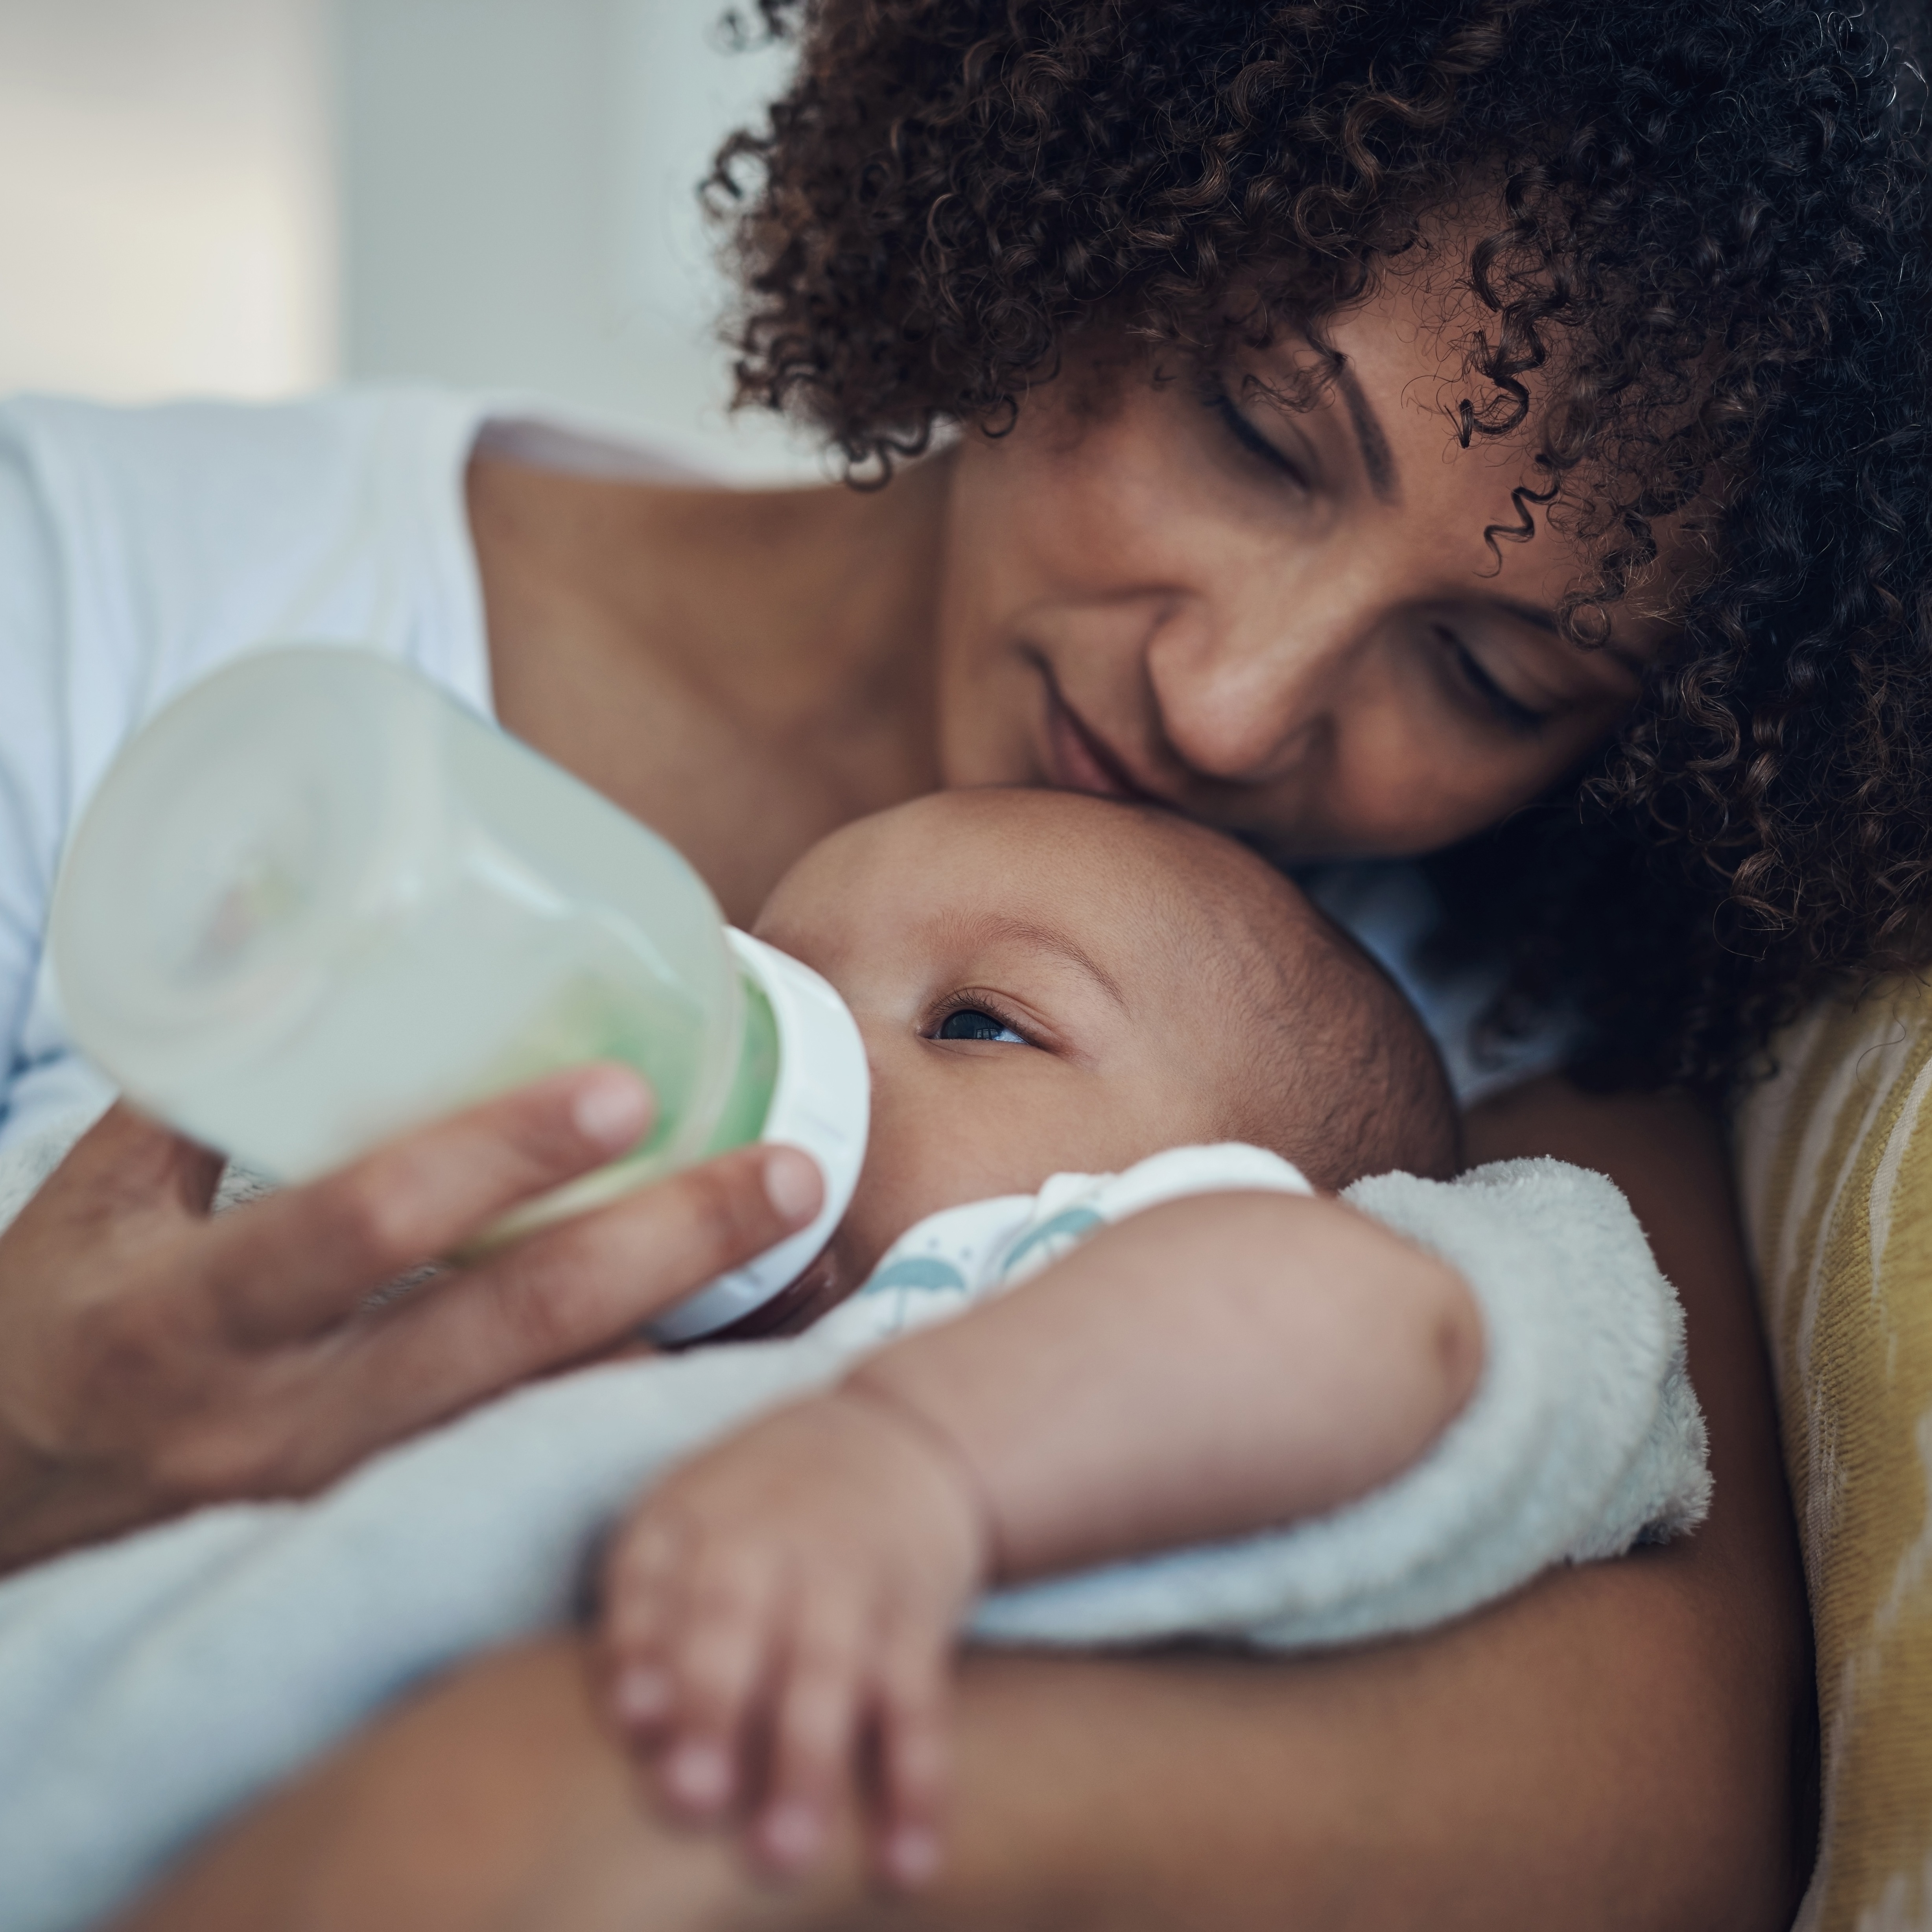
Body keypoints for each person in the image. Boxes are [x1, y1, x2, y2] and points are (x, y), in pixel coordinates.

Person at [9, 0, 1926, 1919]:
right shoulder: (87, 596)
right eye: (1257, 430)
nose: (1232, 702)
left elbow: (1660, 1799)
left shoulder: (1491, 1021)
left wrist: (610, 1788)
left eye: (1493, 676)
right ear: (1076, 193)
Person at [0, 788, 1700, 1932]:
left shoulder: (1075, 1281)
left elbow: (1357, 1317)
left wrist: (916, 1459)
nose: (766, 1054)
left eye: (977, 1020)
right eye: (767, 983)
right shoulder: (557, 1288)